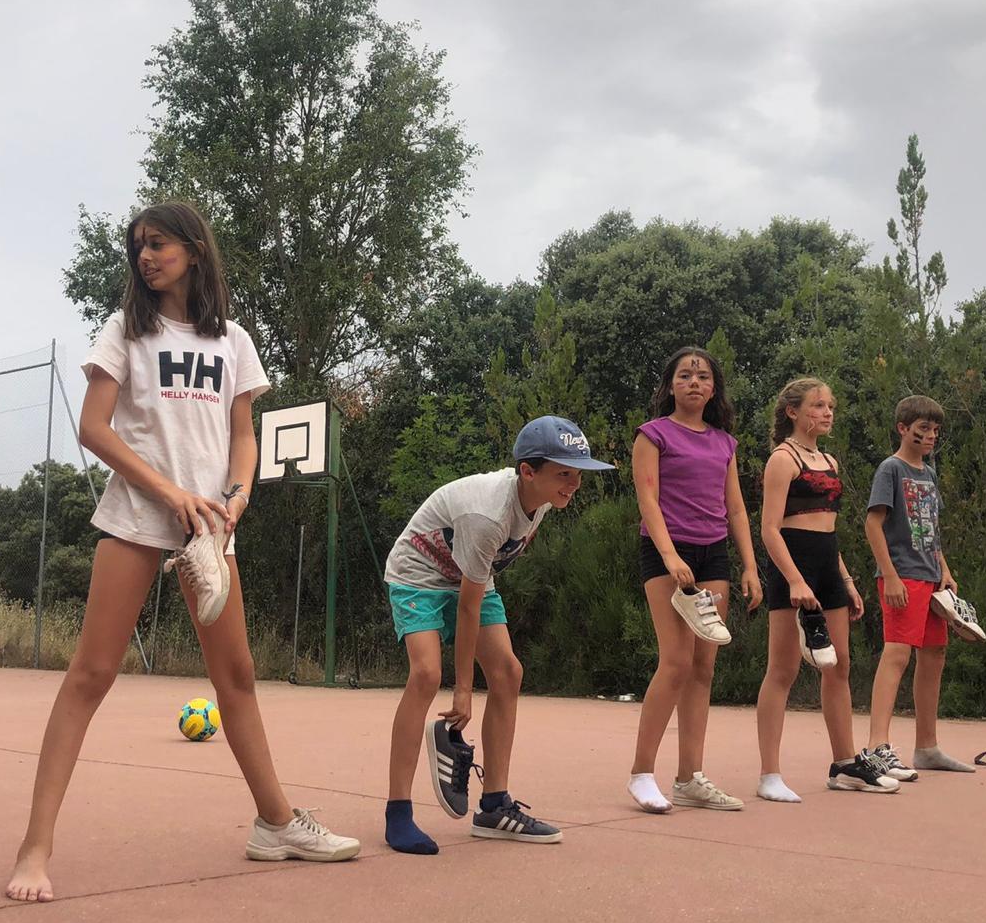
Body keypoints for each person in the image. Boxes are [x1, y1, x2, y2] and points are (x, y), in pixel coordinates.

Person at [6, 201, 359, 903]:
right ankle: (34, 848)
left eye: (159, 243)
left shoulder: (234, 340)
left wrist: (237, 495)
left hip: (210, 530)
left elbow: (243, 435)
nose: (146, 256)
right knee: (90, 674)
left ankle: (276, 824)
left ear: (194, 250)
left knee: (238, 676)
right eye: (138, 246)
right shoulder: (125, 330)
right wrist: (169, 492)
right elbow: (94, 428)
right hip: (139, 517)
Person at [381, 416, 614, 854]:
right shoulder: (487, 514)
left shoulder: (542, 501)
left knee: (508, 672)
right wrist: (463, 692)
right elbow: (467, 608)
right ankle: (398, 814)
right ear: (528, 471)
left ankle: (494, 807)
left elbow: (478, 584)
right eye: (564, 473)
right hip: (418, 573)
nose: (575, 484)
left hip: (471, 573)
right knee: (426, 675)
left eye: (579, 473)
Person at [627, 346, 760, 813]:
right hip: (667, 552)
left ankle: (689, 777)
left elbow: (736, 508)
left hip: (713, 554)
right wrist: (669, 555)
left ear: (714, 387)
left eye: (703, 376)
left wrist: (750, 565)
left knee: (704, 666)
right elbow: (648, 498)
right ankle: (642, 773)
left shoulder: (724, 443)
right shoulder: (653, 435)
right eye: (685, 375)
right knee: (676, 662)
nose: (694, 383)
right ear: (670, 385)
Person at [754, 377, 897, 801]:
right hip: (791, 564)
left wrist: (846, 580)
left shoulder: (830, 461)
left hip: (827, 564)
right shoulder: (783, 459)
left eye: (830, 405)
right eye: (817, 405)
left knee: (839, 665)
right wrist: (795, 579)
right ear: (793, 412)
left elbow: (827, 529)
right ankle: (769, 774)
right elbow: (769, 529)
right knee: (783, 669)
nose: (827, 412)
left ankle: (844, 765)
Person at [863, 395, 976, 777]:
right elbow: (873, 524)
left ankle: (927, 747)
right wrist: (890, 575)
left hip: (931, 578)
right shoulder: (890, 469)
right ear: (902, 428)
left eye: (935, 430)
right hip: (903, 576)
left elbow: (931, 529)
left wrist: (945, 570)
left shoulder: (928, 474)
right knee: (897, 654)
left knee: (935, 654)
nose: (931, 436)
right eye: (923, 429)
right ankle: (877, 747)